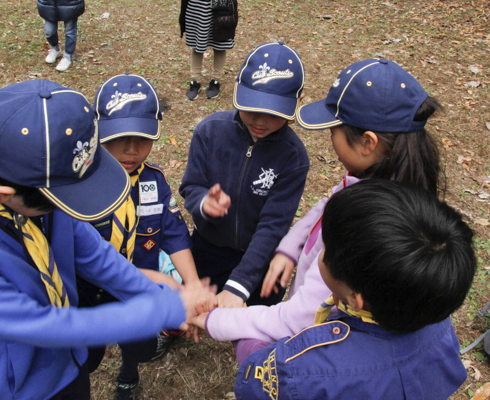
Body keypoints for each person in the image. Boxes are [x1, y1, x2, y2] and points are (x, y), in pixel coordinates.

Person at [0, 80, 203, 400]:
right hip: (13, 387)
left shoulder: (42, 178)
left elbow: (92, 252)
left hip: (69, 361)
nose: (63, 209)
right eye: (59, 202)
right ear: (5, 195)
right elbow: (39, 325)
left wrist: (151, 290)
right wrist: (157, 312)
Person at [188, 58, 447, 359]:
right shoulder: (377, 181)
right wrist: (289, 247)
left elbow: (295, 319)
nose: (330, 138)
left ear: (367, 142)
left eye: (334, 129)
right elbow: (329, 203)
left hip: (321, 343)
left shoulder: (364, 233)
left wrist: (214, 320)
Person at [192, 179, 475, 399]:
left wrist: (240, 335)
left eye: (324, 248)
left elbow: (255, 377)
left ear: (355, 297)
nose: (318, 251)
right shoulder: (432, 315)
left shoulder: (300, 371)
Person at [77, 73, 216, 399]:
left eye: (142, 138)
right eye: (117, 138)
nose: (130, 149)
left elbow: (172, 231)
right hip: (90, 297)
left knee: (137, 343)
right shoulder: (81, 188)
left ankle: (128, 373)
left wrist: (192, 283)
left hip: (140, 295)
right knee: (86, 357)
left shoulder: (153, 181)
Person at [179, 42, 310, 308]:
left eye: (273, 113)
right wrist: (204, 202)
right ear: (238, 89)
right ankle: (171, 328)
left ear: (297, 101)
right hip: (208, 248)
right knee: (192, 306)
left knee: (256, 320)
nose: (260, 121)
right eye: (252, 108)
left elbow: (274, 224)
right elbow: (191, 186)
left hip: (260, 257)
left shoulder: (293, 157)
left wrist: (239, 285)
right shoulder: (209, 132)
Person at [179, 0, 238, 100]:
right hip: (197, 8)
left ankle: (216, 80)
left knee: (220, 45)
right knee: (197, 46)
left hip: (221, 7)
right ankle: (195, 81)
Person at [37, 0, 84, 71]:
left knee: (70, 31)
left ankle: (68, 56)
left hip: (70, 4)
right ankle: (55, 49)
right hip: (48, 4)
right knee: (49, 31)